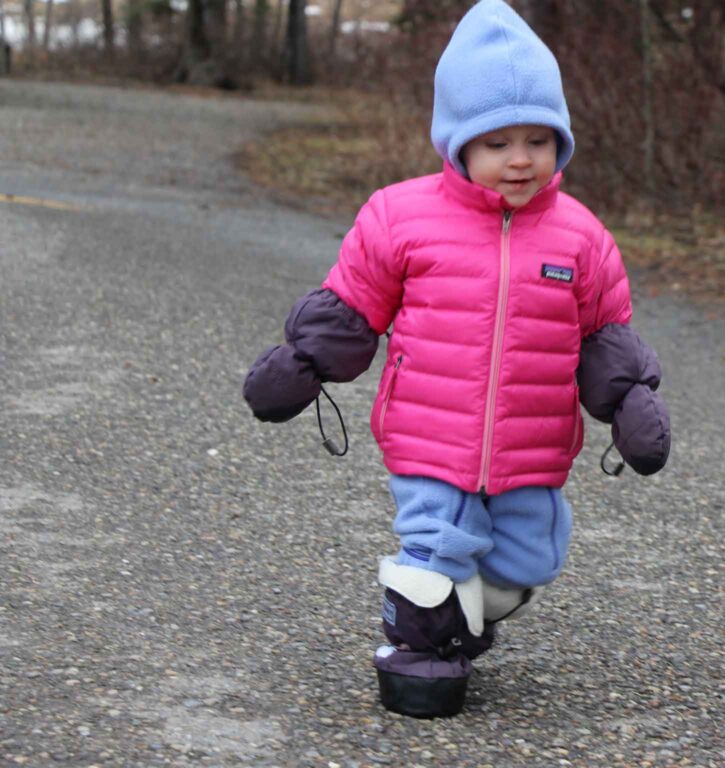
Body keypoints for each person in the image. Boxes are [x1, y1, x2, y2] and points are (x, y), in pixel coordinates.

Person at [243, 0, 670, 719]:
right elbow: (354, 305)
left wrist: (630, 403)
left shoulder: (580, 237)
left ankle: (459, 616)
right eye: (498, 140)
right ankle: (417, 655)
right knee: (437, 546)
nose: (521, 158)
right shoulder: (400, 216)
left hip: (532, 445)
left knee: (528, 562)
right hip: (428, 435)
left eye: (539, 139)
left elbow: (605, 337)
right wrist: (305, 362)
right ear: (458, 141)